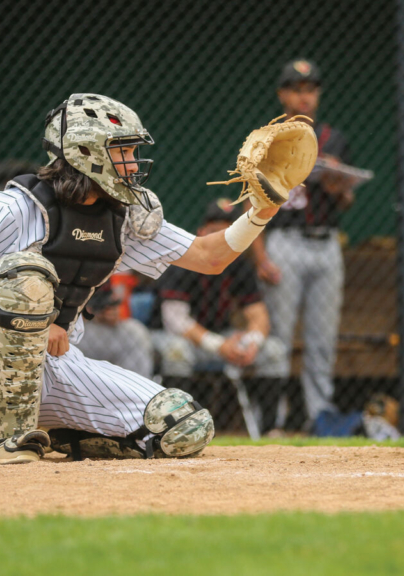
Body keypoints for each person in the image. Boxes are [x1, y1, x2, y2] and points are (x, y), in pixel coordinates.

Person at [0, 94, 292, 463]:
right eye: (123, 151)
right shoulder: (8, 207)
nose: (133, 163)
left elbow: (210, 257)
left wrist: (261, 211)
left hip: (60, 365)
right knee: (28, 276)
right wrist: (37, 324)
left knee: (185, 425)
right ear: (86, 151)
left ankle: (61, 436)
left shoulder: (123, 217)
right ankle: (12, 437)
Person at [250, 58, 355, 434]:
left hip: (325, 242)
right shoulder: (265, 138)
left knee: (322, 337)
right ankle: (271, 418)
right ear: (283, 94)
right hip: (285, 241)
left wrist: (339, 187)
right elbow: (252, 199)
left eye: (310, 89)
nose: (304, 96)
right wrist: (259, 255)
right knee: (278, 336)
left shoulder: (334, 138)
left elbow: (346, 202)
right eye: (296, 89)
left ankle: (318, 415)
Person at [152, 199, 287, 434]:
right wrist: (219, 345)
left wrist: (251, 342)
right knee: (177, 351)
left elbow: (258, 315)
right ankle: (178, 427)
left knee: (273, 350)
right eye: (215, 232)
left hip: (220, 338)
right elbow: (176, 321)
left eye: (228, 232)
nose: (221, 239)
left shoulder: (239, 265)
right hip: (173, 337)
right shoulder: (181, 261)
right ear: (201, 233)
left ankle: (270, 430)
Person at [77, 279, 155, 379]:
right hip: (83, 336)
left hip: (120, 379)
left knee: (135, 330)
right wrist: (80, 316)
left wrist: (113, 311)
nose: (105, 309)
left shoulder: (130, 331)